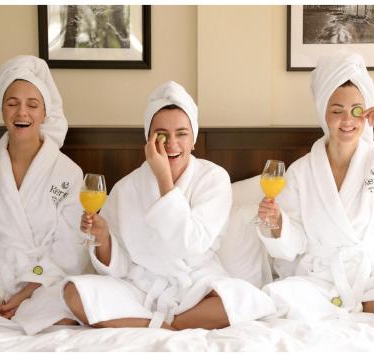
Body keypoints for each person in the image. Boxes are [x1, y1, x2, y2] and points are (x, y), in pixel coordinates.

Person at [62, 81, 276, 330]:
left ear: (193, 139)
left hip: (195, 286)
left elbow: (191, 242)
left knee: (242, 298)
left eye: (182, 134)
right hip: (139, 287)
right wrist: (103, 238)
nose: (171, 143)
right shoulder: (125, 187)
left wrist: (164, 180)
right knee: (72, 292)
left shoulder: (214, 178)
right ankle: (167, 326)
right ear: (148, 139)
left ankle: (154, 325)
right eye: (162, 135)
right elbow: (117, 268)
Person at [255, 52, 374, 321]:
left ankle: (357, 306)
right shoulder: (302, 171)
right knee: (273, 295)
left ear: (368, 113)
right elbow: (294, 244)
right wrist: (278, 224)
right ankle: (349, 306)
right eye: (337, 111)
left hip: (369, 279)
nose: (348, 121)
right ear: (323, 114)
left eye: (357, 111)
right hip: (319, 281)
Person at [0, 55, 90, 335]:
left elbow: (69, 250)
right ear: (2, 110)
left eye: (32, 105)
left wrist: (25, 291)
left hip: (40, 279)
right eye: (12, 104)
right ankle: (5, 313)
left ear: (45, 113)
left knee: (75, 297)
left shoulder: (67, 172)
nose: (22, 113)